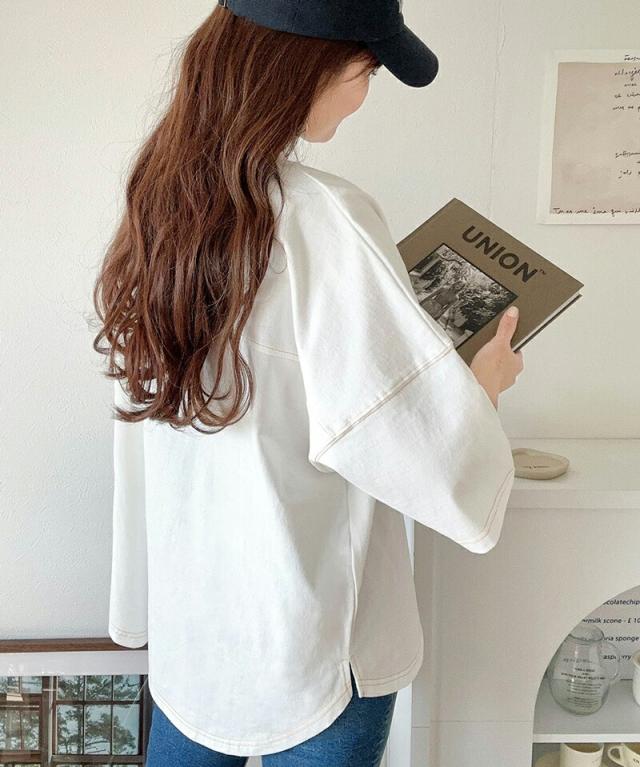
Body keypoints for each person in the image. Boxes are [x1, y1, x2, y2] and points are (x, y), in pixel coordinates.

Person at [92, 1, 524, 765]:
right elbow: (401, 442)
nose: (363, 95)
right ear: (311, 68)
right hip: (318, 634)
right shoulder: (327, 218)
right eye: (368, 71)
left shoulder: (158, 204)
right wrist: (483, 384)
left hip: (197, 625)